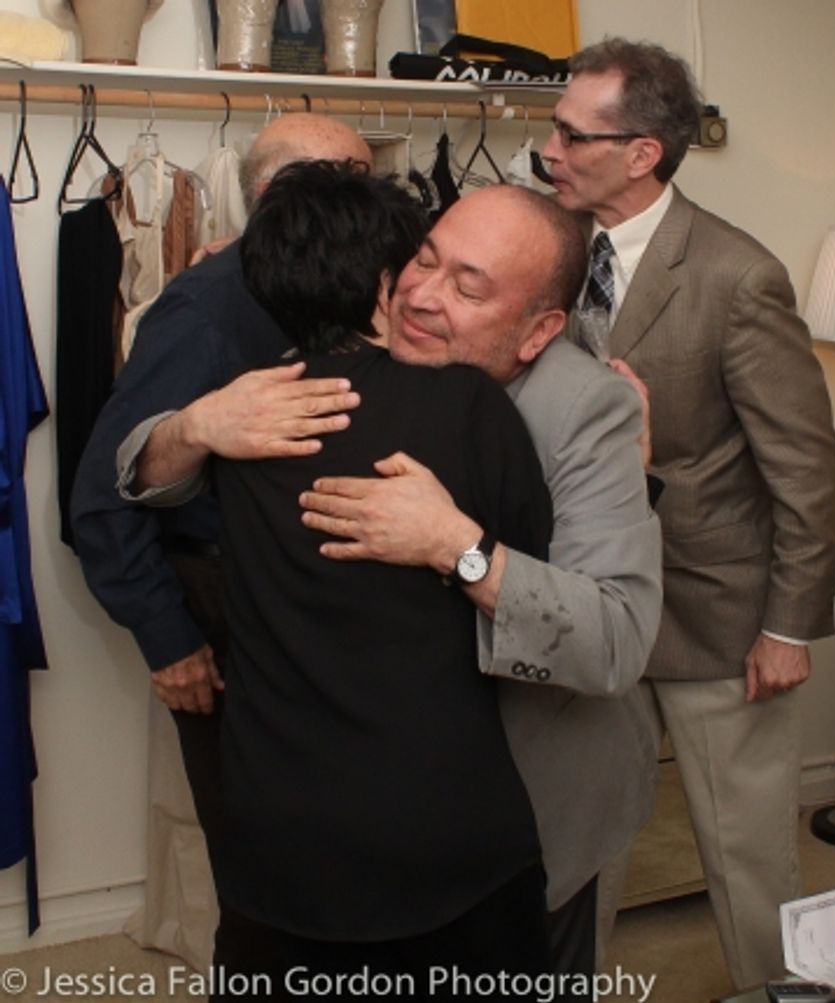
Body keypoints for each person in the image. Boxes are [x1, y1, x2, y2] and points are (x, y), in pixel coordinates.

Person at [110, 182, 663, 983]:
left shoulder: (586, 408)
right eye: (423, 260)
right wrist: (195, 426)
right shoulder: (312, 370)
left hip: (535, 791)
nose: (422, 297)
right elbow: (132, 472)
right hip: (362, 811)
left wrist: (455, 545)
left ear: (540, 329)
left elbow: (614, 640)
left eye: (469, 286)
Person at [203, 158, 553, 994]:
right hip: (442, 822)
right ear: (387, 281)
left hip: (274, 824)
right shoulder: (469, 407)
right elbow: (537, 577)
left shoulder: (238, 419)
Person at [539, 38, 835, 987]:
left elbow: (807, 467)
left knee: (749, 854)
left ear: (641, 153)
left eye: (570, 133)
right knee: (576, 848)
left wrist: (788, 627)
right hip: (585, 602)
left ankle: (779, 991)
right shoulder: (548, 252)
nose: (547, 149)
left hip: (714, 610)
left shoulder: (735, 275)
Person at [70, 114, 373, 964]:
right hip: (227, 607)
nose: (374, 191)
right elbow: (102, 493)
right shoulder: (204, 310)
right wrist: (171, 642)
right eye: (347, 174)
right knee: (264, 858)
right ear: (277, 194)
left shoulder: (375, 283)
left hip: (336, 601)